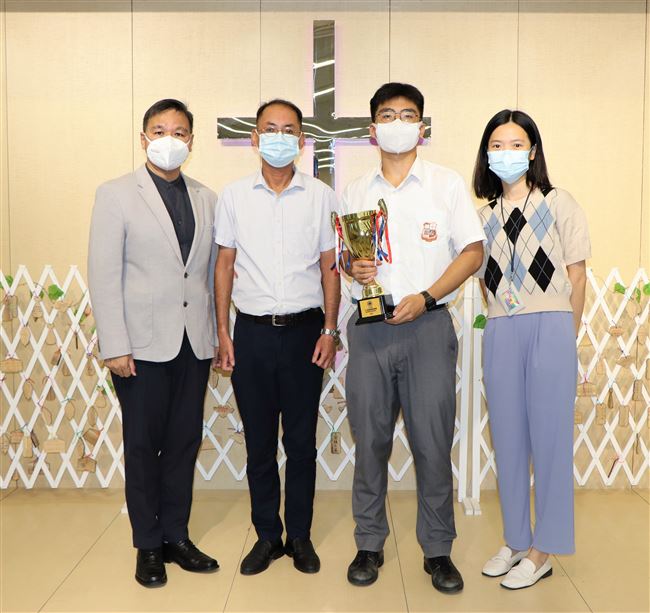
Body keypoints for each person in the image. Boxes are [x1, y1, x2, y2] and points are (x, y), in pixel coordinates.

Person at [340, 82, 485, 593]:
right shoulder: (355, 191)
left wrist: (426, 296)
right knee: (370, 441)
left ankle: (438, 550)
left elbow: (472, 252)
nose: (397, 123)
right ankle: (369, 542)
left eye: (407, 115)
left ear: (420, 127)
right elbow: (346, 255)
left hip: (428, 327)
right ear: (372, 128)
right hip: (369, 329)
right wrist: (352, 266)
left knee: (432, 441)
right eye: (387, 115)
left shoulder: (445, 185)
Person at [88, 99, 219, 588]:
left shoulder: (206, 197)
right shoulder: (116, 194)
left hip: (193, 343)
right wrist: (114, 344)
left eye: (179, 132)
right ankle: (147, 543)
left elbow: (208, 275)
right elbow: (103, 274)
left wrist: (216, 334)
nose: (170, 139)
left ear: (191, 140)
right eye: (159, 130)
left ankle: (176, 537)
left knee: (184, 442)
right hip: (139, 347)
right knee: (143, 446)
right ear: (144, 138)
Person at [214, 99, 340, 576]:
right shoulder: (233, 196)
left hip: (306, 332)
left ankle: (300, 536)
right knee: (260, 444)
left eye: (289, 130)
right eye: (271, 128)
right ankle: (267, 535)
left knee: (302, 443)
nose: (279, 137)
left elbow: (330, 268)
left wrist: (330, 329)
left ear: (302, 140)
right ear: (255, 138)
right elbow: (224, 265)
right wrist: (223, 330)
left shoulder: (321, 196)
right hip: (251, 333)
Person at [472, 109, 590, 590]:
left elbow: (577, 275)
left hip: (551, 326)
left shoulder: (560, 203)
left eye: (516, 144)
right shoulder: (483, 216)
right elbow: (485, 281)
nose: (507, 153)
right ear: (486, 154)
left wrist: (566, 335)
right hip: (502, 327)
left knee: (551, 441)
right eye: (497, 145)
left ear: (533, 150)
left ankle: (545, 548)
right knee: (508, 438)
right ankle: (517, 539)